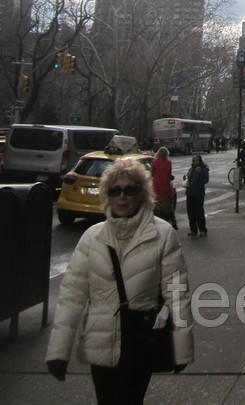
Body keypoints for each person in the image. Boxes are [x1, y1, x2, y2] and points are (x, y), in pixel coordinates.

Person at [45, 158, 194, 403]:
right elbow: (71, 297)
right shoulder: (92, 238)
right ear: (107, 195)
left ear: (142, 194)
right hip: (100, 345)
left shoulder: (162, 234)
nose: (122, 196)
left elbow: (177, 294)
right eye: (115, 191)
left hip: (140, 342)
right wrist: (58, 351)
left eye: (129, 190)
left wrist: (182, 348)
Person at [151, 146, 177, 228]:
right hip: (166, 187)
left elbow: (152, 174)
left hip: (157, 187)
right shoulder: (169, 163)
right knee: (169, 205)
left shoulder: (155, 162)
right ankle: (172, 221)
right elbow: (169, 174)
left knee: (156, 206)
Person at [184, 153, 209, 236]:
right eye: (194, 160)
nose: (195, 162)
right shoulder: (191, 169)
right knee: (191, 212)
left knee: (199, 212)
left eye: (197, 160)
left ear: (200, 161)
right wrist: (185, 179)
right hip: (190, 193)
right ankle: (193, 230)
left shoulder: (203, 169)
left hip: (198, 193)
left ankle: (202, 230)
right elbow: (188, 178)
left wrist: (200, 173)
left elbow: (206, 180)